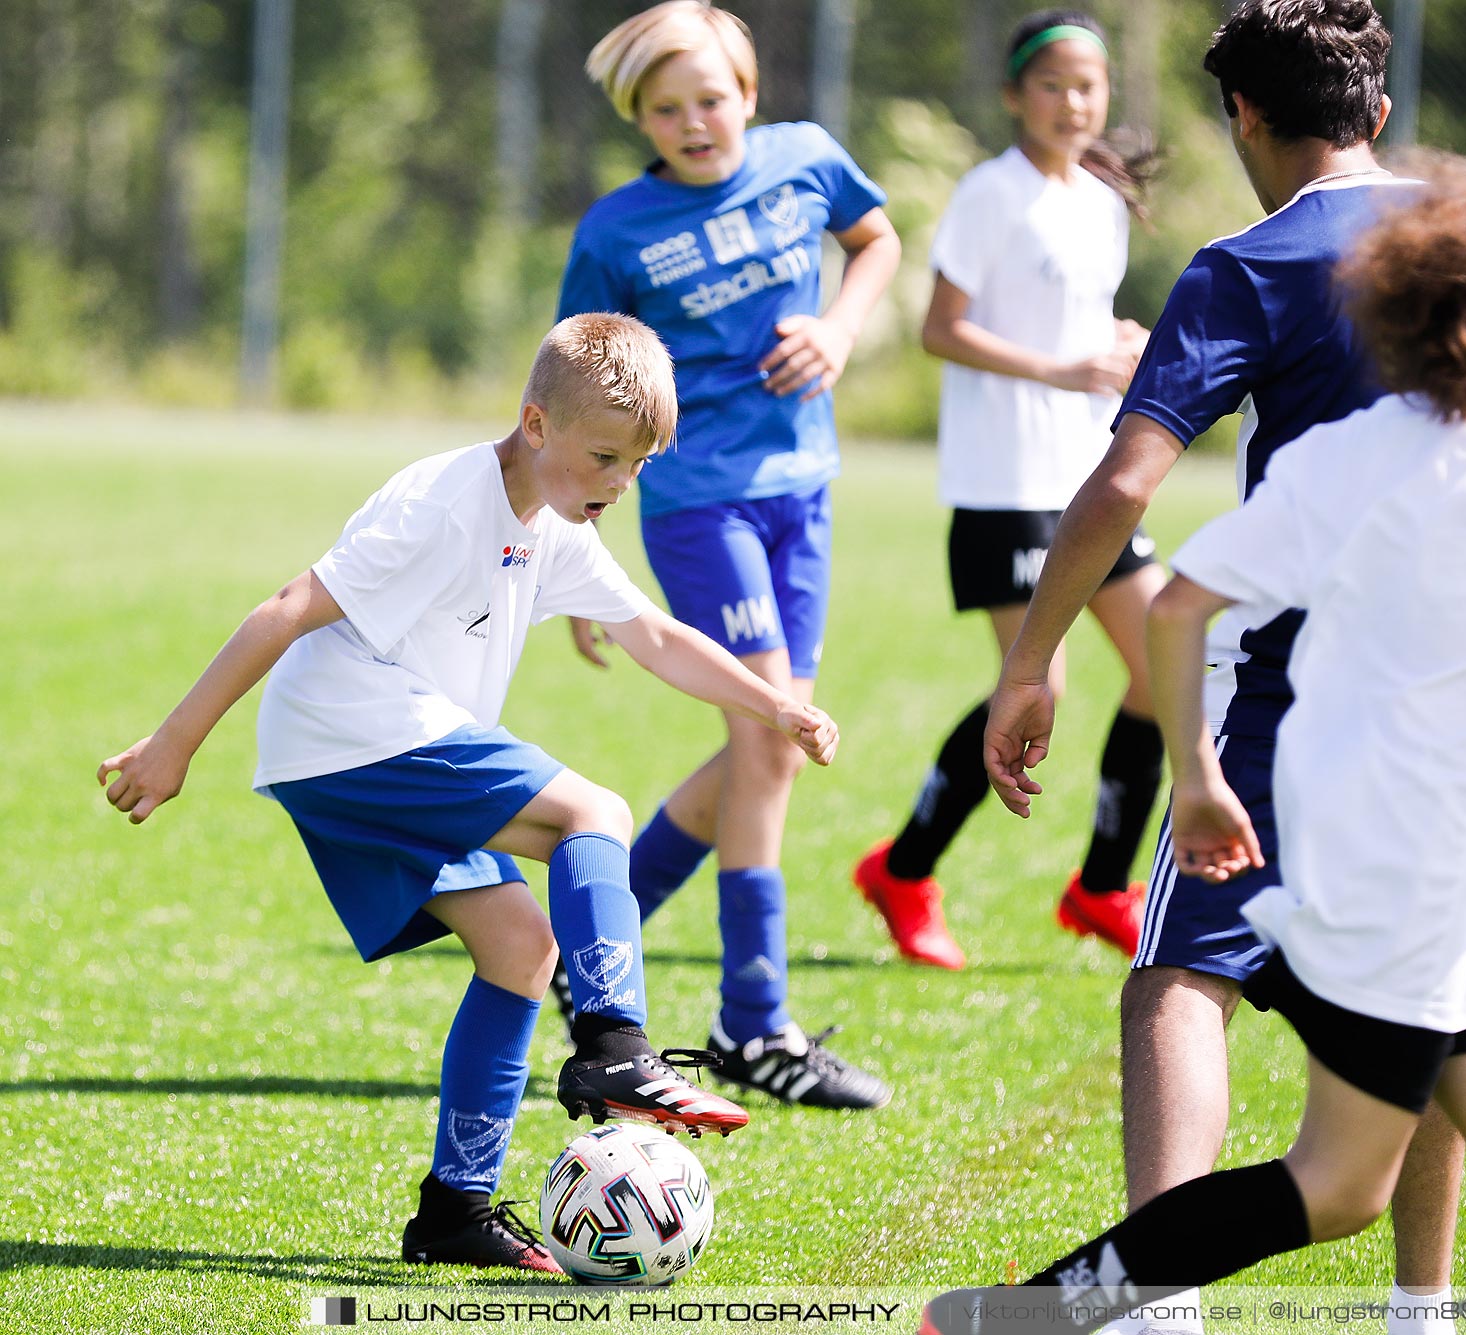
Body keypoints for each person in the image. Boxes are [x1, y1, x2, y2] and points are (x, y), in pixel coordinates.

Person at [976, 1, 1466, 1327]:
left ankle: (1124, 1299)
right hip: (1448, 737)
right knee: (1461, 1091)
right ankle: (1423, 1306)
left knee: (1184, 984)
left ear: (1246, 117)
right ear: (1375, 111)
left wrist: (1037, 663)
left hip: (1287, 708)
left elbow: (1127, 489)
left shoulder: (1259, 298)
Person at [97, 313, 840, 1272]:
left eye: (638, 466)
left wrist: (774, 705)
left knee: (521, 948)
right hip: (353, 730)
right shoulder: (444, 503)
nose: (619, 484)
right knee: (595, 812)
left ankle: (453, 1212)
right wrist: (173, 744)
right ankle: (614, 1040)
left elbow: (652, 634)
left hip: (371, 743)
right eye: (605, 456)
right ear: (536, 424)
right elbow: (286, 608)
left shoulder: (555, 521)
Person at [554, 0, 901, 1112]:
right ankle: (753, 1025)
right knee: (771, 736)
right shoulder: (615, 231)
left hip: (806, 491)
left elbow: (878, 238)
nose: (694, 122)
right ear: (640, 121)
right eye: (666, 108)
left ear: (748, 94)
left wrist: (842, 327)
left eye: (710, 98)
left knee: (771, 746)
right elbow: (574, 397)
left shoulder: (805, 162)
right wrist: (571, 548)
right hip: (699, 505)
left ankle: (587, 954)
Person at [851, 10, 1165, 971]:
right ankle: (903, 871)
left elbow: (1084, 323)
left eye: (1090, 85)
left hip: (1088, 477)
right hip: (1004, 484)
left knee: (1168, 666)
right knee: (1041, 683)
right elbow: (941, 329)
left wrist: (1119, 349)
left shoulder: (1103, 198)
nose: (1075, 102)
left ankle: (1103, 885)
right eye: (1054, 85)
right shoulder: (991, 193)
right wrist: (1060, 367)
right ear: (1013, 96)